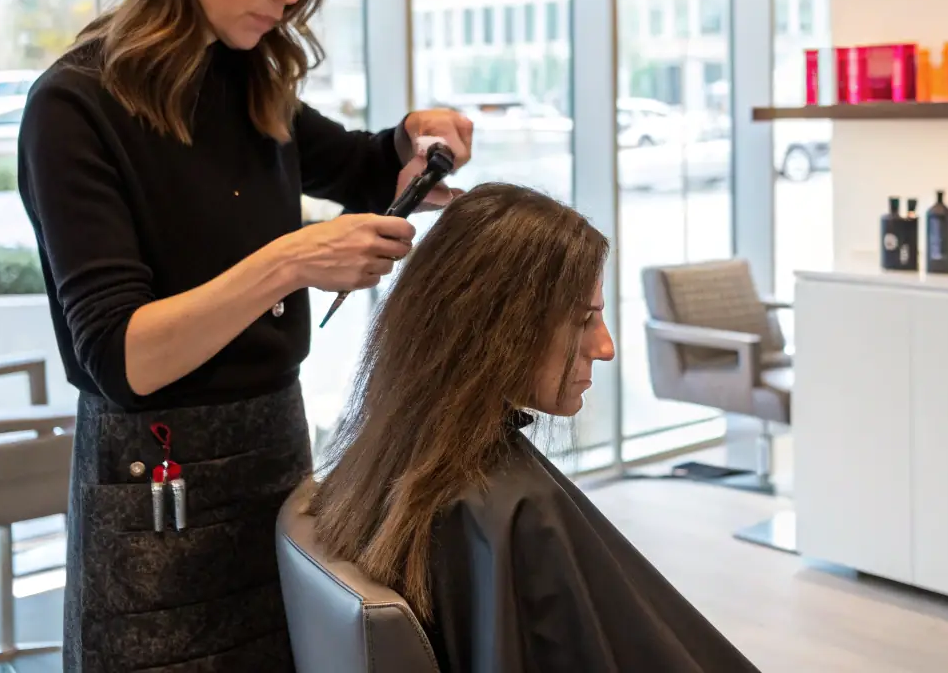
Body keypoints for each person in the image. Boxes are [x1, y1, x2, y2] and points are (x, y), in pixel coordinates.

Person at [16, 0, 473, 672]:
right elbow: (123, 356)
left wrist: (412, 143)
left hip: (275, 456)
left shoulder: (250, 83)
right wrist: (291, 261)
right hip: (152, 481)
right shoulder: (75, 106)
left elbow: (363, 165)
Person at [308, 183, 761, 673]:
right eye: (584, 321)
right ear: (499, 328)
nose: (605, 347)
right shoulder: (508, 510)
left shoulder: (382, 459)